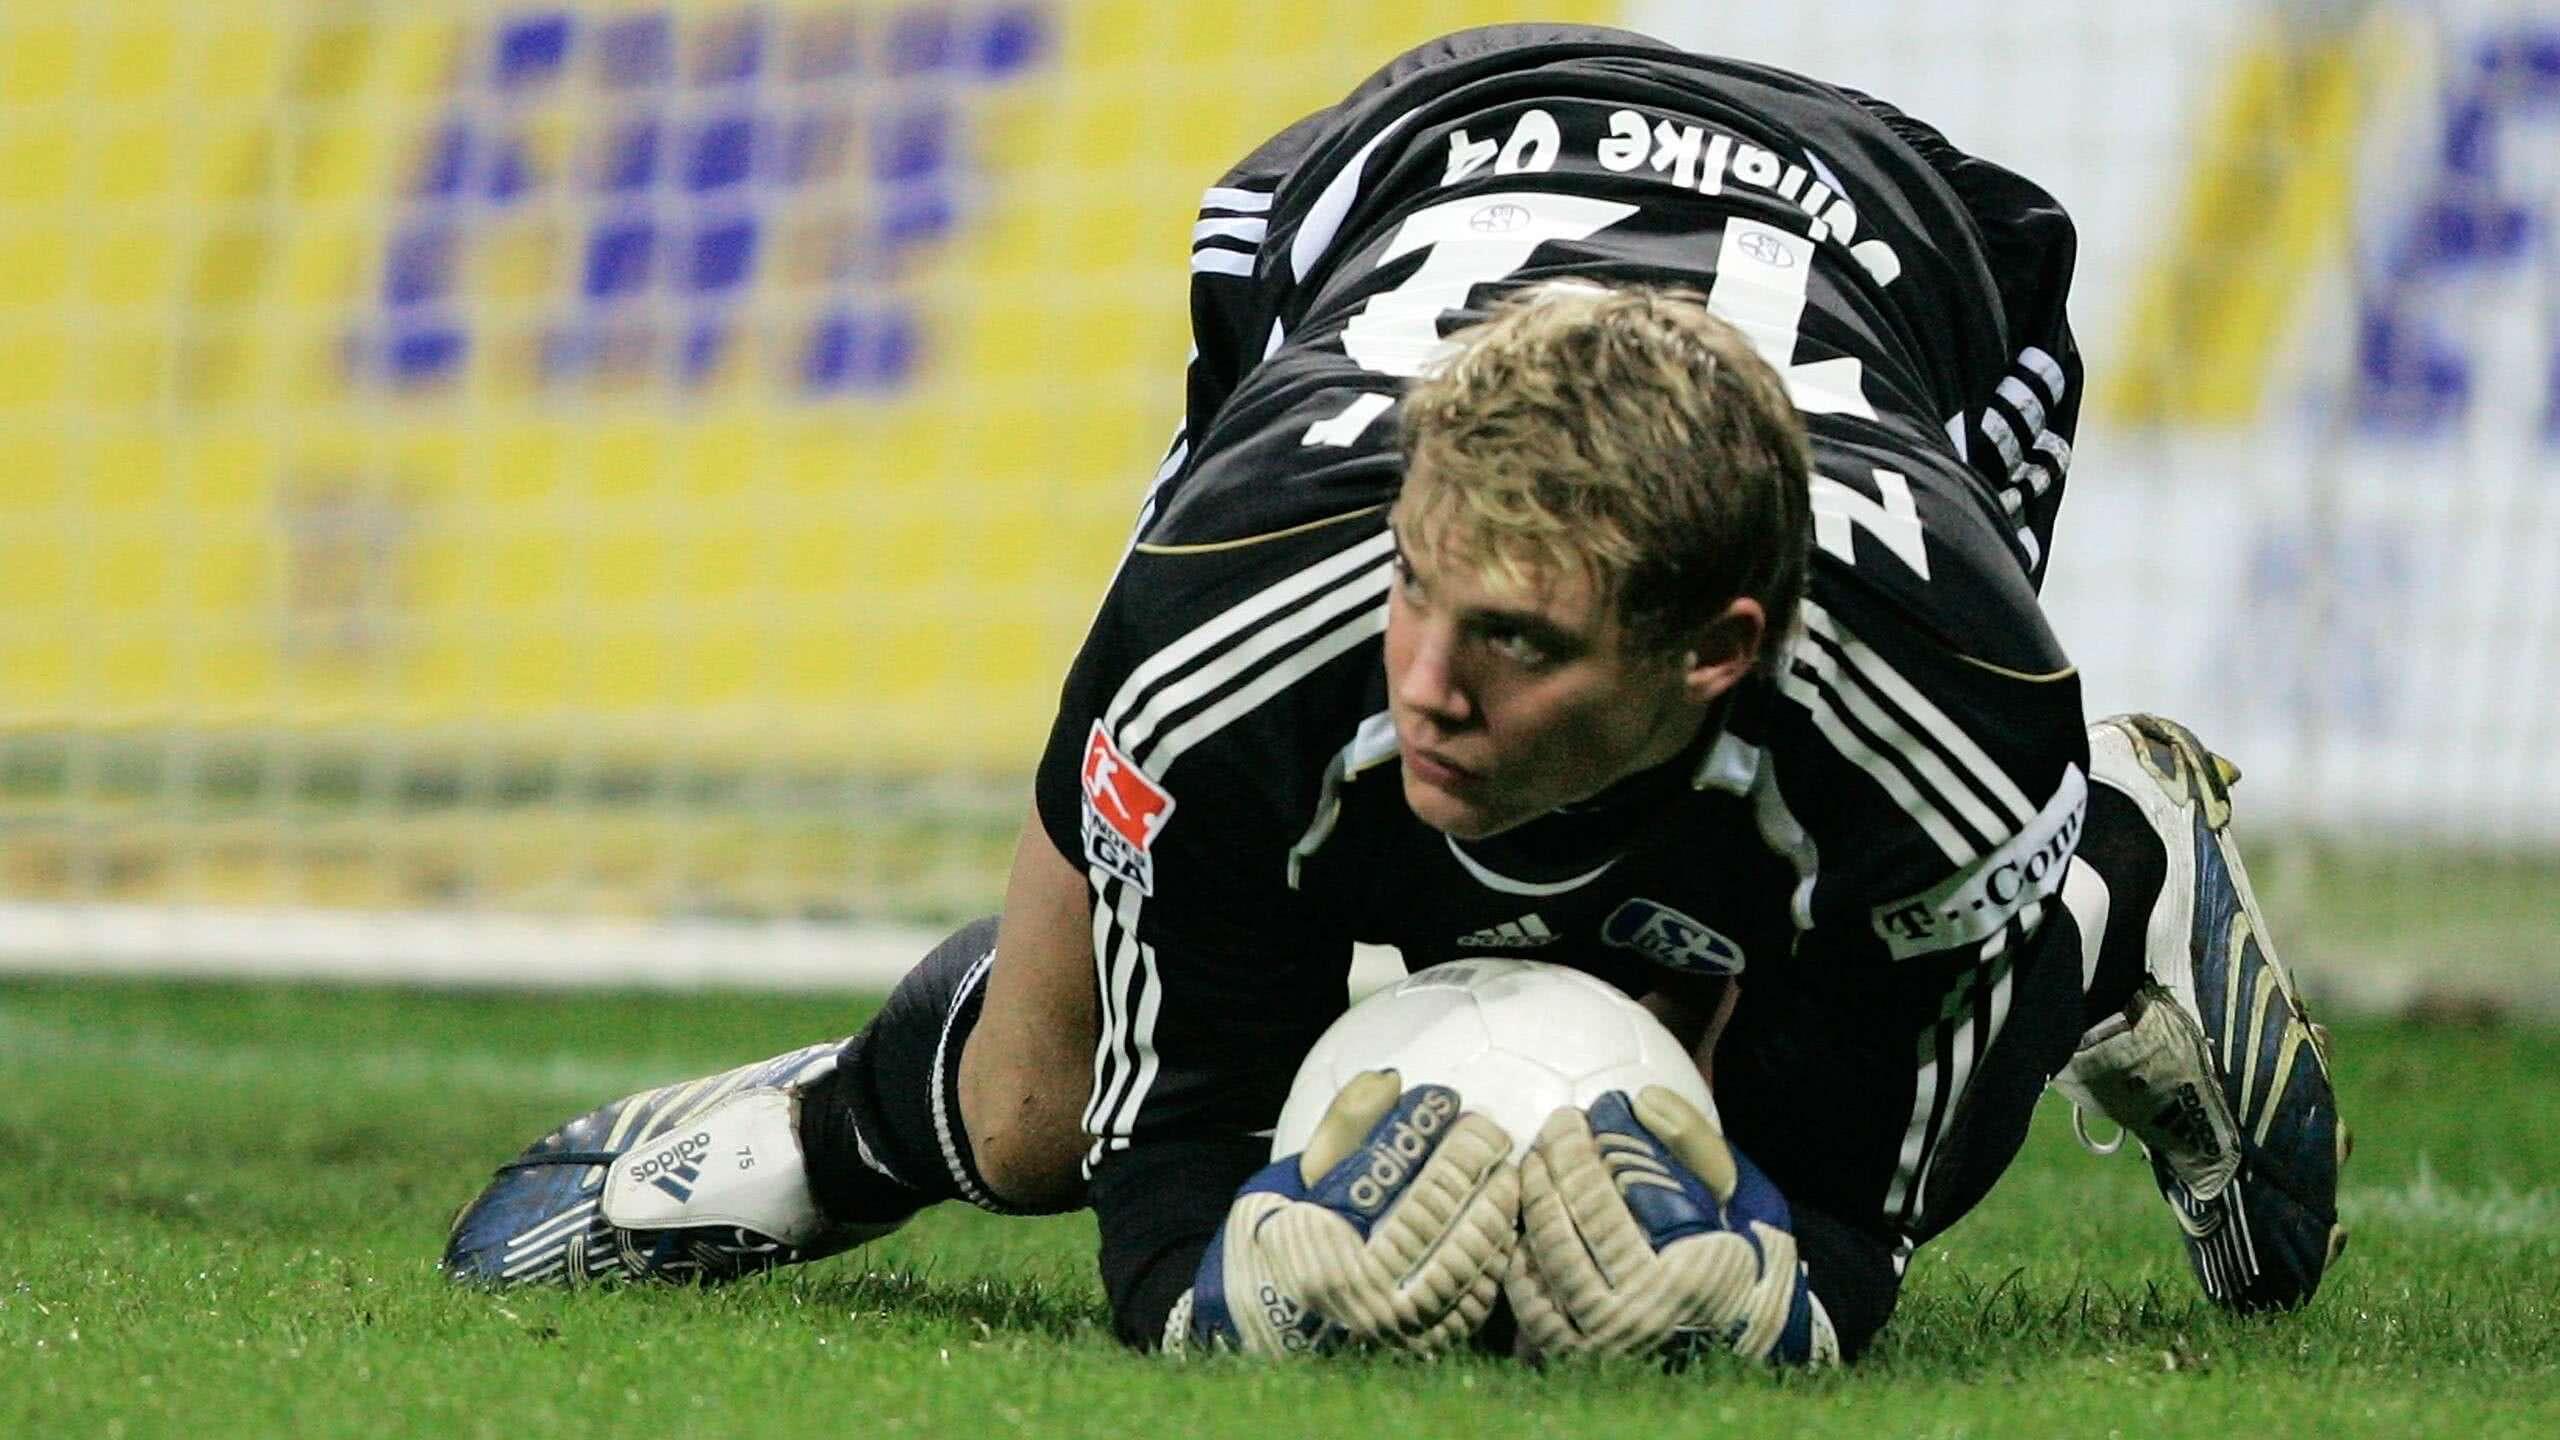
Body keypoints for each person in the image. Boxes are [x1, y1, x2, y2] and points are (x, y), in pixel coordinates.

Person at [443, 23, 2348, 1363]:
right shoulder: (1236, 637)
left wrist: (1760, 1298)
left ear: (1720, 650)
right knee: (1036, 1114)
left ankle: (2126, 874)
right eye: (1417, 602)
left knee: (1719, 1067)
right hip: (1400, 172)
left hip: (1933, 258)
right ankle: (821, 1137)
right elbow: (1164, 1172)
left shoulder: (1947, 719)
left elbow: (1852, 1225)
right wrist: (1244, 1298)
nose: (1422, 684)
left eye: (1512, 640)